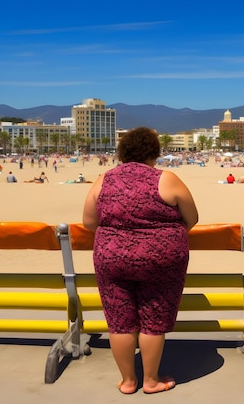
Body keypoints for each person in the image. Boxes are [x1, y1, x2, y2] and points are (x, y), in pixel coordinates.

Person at [82, 127, 199, 395]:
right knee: (154, 318)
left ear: (123, 152)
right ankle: (151, 380)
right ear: (154, 152)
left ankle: (127, 381)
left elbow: (89, 222)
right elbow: (191, 218)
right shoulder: (167, 179)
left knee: (119, 321)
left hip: (111, 257)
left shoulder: (104, 179)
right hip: (160, 258)